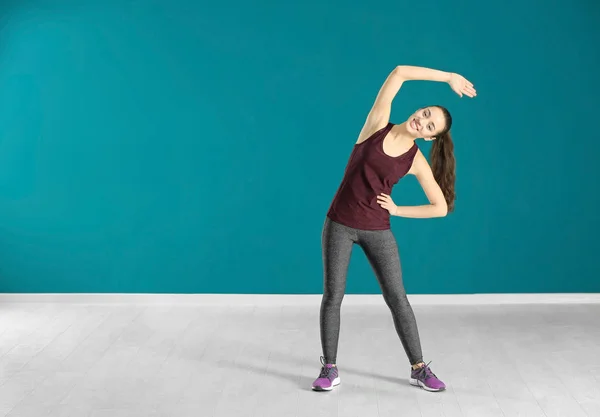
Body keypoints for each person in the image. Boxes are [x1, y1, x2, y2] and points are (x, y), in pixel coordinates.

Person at [312, 65, 477, 393]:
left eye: (430, 126)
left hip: (377, 229)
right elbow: (399, 73)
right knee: (333, 295)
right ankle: (329, 368)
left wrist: (399, 210)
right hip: (339, 225)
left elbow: (440, 207)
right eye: (425, 113)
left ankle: (419, 368)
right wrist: (448, 78)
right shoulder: (376, 125)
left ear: (429, 137)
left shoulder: (416, 160)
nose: (423, 121)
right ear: (418, 109)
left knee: (397, 298)